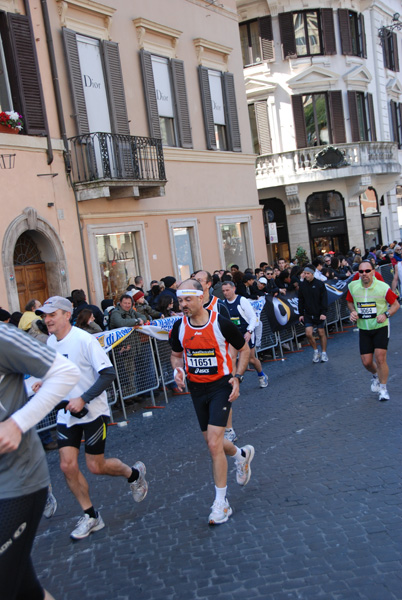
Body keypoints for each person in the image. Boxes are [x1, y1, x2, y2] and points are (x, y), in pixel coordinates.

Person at [38, 296, 149, 540]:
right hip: (67, 413)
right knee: (67, 465)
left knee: (95, 466)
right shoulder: (49, 342)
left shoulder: (84, 340)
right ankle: (91, 516)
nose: (47, 320)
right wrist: (42, 382)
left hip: (92, 411)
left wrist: (84, 398)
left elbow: (108, 374)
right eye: (44, 316)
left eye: (52, 315)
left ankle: (133, 474)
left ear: (67, 315)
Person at [0, 321, 80, 600]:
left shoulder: (1, 337)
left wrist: (17, 423)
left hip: (14, 481)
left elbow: (65, 372)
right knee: (25, 591)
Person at [169, 279, 254, 525]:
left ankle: (221, 503)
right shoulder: (179, 327)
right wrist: (178, 371)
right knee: (212, 441)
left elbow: (244, 349)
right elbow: (176, 356)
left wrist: (237, 377)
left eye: (187, 299)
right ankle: (240, 455)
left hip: (220, 387)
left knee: (215, 444)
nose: (183, 304)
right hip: (197, 389)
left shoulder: (220, 322)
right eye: (180, 300)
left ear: (200, 298)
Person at [347, 261, 399, 401]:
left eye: (367, 271)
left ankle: (383, 389)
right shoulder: (353, 286)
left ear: (373, 272)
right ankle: (376, 375)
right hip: (364, 327)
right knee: (366, 362)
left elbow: (395, 305)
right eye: (361, 271)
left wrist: (386, 314)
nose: (364, 274)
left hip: (380, 327)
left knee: (380, 358)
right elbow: (349, 302)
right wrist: (352, 312)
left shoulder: (382, 287)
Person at [222, 281, 269, 388]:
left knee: (251, 359)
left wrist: (249, 331)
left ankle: (261, 375)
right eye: (223, 291)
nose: (225, 293)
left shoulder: (241, 300)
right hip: (233, 335)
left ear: (233, 289)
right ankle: (234, 383)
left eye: (227, 290)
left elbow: (253, 317)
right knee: (232, 358)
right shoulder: (223, 303)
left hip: (246, 333)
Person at [298, 265, 329, 363]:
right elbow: (301, 300)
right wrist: (301, 313)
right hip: (308, 313)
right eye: (305, 273)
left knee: (321, 333)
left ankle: (324, 352)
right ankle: (316, 351)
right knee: (308, 334)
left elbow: (324, 299)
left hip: (319, 312)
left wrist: (323, 312)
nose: (306, 275)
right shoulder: (302, 285)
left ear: (312, 274)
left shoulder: (320, 284)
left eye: (308, 274)